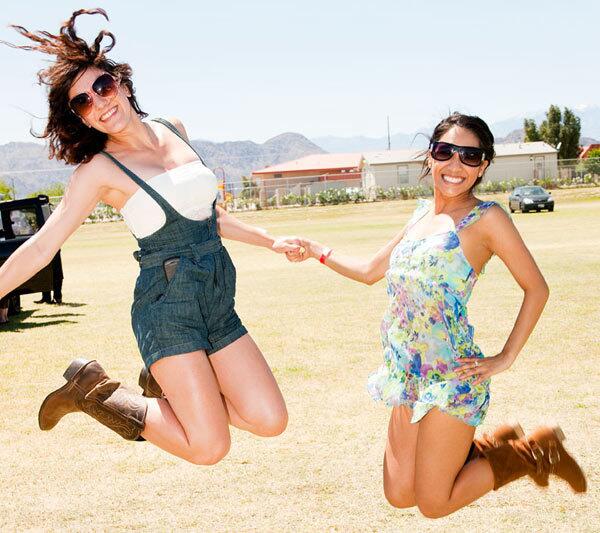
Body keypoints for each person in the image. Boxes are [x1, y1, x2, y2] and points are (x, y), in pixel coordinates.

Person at [0, 9, 299, 464]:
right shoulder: (98, 171)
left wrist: (270, 240)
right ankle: (92, 392)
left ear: (121, 81)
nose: (99, 102)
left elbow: (208, 216)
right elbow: (43, 245)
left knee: (269, 419)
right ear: (79, 118)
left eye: (102, 86)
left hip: (217, 295)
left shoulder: (173, 128)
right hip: (167, 306)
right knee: (209, 447)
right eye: (82, 102)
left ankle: (167, 384)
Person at [289, 112, 586, 517]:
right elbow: (370, 271)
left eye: (470, 156)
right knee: (399, 493)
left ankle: (532, 453)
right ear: (431, 156)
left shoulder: (487, 219)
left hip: (451, 375)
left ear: (482, 166)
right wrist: (315, 250)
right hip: (407, 373)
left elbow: (537, 288)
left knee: (433, 502)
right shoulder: (418, 218)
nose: (455, 165)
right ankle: (484, 449)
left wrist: (505, 357)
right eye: (446, 151)